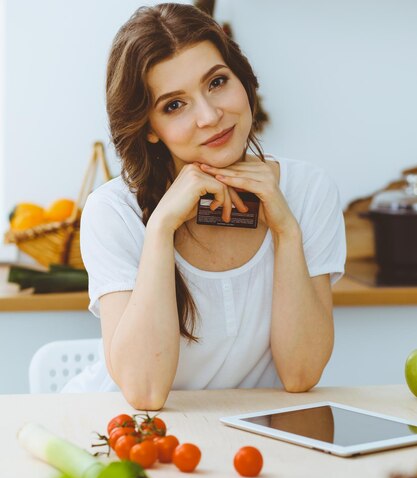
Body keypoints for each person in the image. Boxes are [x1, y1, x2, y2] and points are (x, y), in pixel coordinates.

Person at [62, 3, 346, 408]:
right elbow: (144, 392)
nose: (210, 115)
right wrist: (160, 228)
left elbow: (300, 374)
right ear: (150, 129)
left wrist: (286, 229)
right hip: (129, 431)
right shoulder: (113, 212)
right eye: (174, 105)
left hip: (248, 439)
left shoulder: (308, 191)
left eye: (217, 82)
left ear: (242, 80)